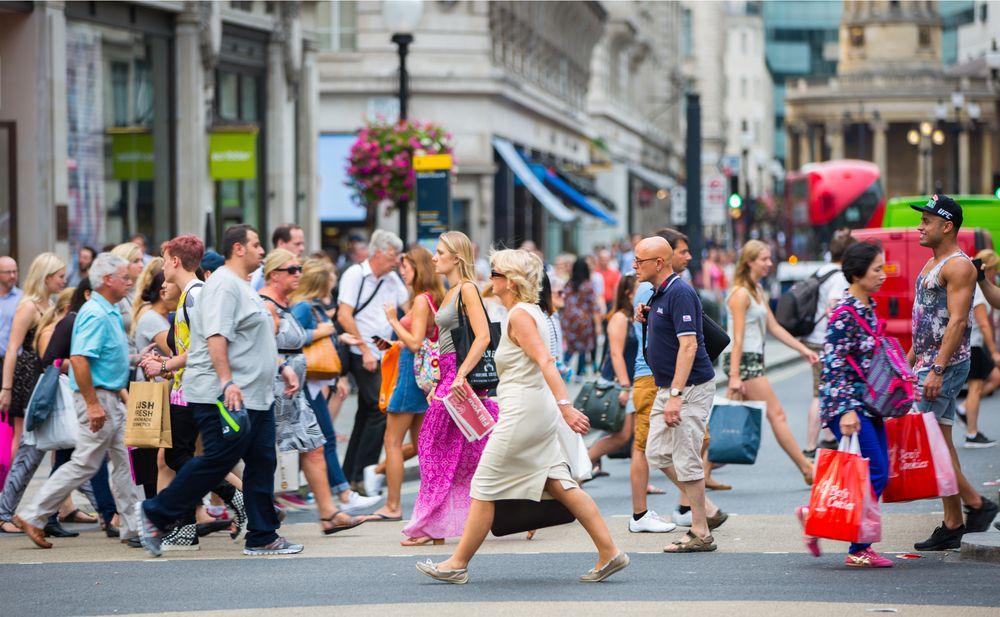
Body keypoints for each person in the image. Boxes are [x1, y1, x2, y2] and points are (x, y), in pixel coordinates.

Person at [416, 249, 628, 584]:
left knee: (484, 485)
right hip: (531, 409)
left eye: (497, 273)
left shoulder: (520, 316)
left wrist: (566, 406)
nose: (491, 277)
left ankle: (457, 563)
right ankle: (610, 552)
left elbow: (546, 362)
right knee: (560, 484)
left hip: (523, 412)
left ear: (512, 282)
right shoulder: (530, 312)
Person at [137, 224, 303, 557]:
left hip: (254, 395)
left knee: (261, 461)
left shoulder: (242, 286)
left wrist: (281, 368)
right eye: (256, 244)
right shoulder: (223, 285)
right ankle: (155, 514)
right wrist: (227, 380)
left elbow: (251, 338)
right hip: (224, 393)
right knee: (215, 460)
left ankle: (262, 535)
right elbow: (216, 337)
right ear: (238, 249)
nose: (262, 250)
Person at [14, 253, 145, 549]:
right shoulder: (96, 313)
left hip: (109, 398)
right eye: (124, 277)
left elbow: (103, 358)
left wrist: (136, 359)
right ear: (107, 280)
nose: (129, 281)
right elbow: (79, 359)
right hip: (99, 398)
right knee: (85, 462)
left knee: (124, 462)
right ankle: (34, 514)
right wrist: (93, 404)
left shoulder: (108, 309)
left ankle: (133, 527)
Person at [138, 234, 247, 552]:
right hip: (188, 386)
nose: (160, 264)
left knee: (180, 456)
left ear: (174, 260)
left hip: (197, 388)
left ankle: (235, 498)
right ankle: (186, 527)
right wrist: (168, 364)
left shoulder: (197, 294)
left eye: (162, 256)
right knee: (176, 456)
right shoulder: (191, 294)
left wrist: (166, 365)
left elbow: (206, 344)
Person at [907, 195, 998, 550]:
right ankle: (954, 520)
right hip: (927, 363)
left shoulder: (958, 266)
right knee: (940, 442)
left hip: (943, 366)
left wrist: (937, 370)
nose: (920, 226)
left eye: (927, 220)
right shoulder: (934, 263)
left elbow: (958, 321)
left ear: (947, 226)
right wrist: (909, 360)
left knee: (931, 444)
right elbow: (924, 319)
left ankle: (977, 505)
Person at [796, 241, 894, 567]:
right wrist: (847, 410)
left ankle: (815, 516)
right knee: (875, 471)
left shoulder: (868, 307)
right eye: (877, 269)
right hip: (847, 405)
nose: (883, 274)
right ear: (857, 273)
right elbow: (833, 365)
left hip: (870, 404)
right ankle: (858, 548)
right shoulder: (844, 314)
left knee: (870, 472)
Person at [259, 249, 369, 534]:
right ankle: (245, 506)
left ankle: (329, 514)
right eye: (292, 270)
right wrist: (285, 365)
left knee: (315, 447)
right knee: (256, 454)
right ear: (274, 274)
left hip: (293, 391)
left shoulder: (287, 305)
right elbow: (264, 347)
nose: (298, 273)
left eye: (299, 269)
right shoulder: (267, 306)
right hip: (274, 390)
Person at [402, 231, 499, 546]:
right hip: (447, 375)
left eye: (440, 252)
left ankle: (431, 522)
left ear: (456, 257)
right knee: (444, 449)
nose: (434, 257)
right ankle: (436, 524)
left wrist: (459, 376)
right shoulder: (453, 289)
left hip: (456, 376)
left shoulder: (467, 289)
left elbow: (483, 336)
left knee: (432, 445)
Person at [634, 236, 726, 552]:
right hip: (668, 387)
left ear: (659, 263)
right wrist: (647, 318)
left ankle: (701, 531)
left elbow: (689, 345)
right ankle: (707, 509)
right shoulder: (659, 294)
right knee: (657, 453)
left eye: (639, 261)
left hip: (688, 389)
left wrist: (675, 394)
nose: (634, 266)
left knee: (686, 458)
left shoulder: (681, 292)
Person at [724, 240, 819, 485]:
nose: (769, 263)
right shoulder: (740, 294)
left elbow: (774, 327)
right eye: (764, 259)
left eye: (769, 259)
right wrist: (734, 376)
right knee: (776, 414)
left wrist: (802, 349)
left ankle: (703, 470)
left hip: (752, 359)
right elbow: (737, 338)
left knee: (729, 419)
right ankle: (806, 467)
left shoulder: (755, 290)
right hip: (744, 361)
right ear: (749, 262)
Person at [361, 245, 445, 522]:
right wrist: (395, 341)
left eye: (406, 268)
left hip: (411, 375)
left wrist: (394, 321)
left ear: (417, 269)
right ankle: (431, 502)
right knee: (423, 444)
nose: (402, 272)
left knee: (392, 441)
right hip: (424, 376)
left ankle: (393, 506)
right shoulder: (433, 298)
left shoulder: (421, 300)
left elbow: (416, 342)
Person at [337, 230, 408, 489]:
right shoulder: (355, 275)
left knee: (367, 412)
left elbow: (408, 305)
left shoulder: (391, 278)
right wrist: (366, 350)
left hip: (384, 354)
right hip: (360, 353)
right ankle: (363, 474)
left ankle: (350, 475)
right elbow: (344, 315)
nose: (396, 260)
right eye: (393, 255)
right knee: (381, 410)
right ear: (378, 253)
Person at [1, 253, 67, 456]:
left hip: (46, 373)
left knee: (58, 434)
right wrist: (6, 388)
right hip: (27, 375)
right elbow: (13, 348)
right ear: (46, 278)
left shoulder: (53, 306)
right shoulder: (28, 306)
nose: (63, 281)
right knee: (22, 437)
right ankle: (8, 486)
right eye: (60, 276)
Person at [802, 230, 856, 458]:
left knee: (823, 389)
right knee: (819, 392)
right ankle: (811, 446)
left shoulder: (821, 271)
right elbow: (833, 308)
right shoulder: (838, 277)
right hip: (824, 341)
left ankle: (827, 439)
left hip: (814, 337)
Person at [586, 275, 642, 478]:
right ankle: (583, 462)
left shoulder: (636, 317)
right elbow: (616, 354)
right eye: (639, 288)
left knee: (637, 437)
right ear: (628, 294)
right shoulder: (619, 318)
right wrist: (626, 386)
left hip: (632, 382)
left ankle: (642, 483)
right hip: (618, 383)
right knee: (622, 436)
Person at [959, 249, 999, 448]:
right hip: (972, 345)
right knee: (975, 388)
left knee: (995, 377)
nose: (996, 274)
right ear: (989, 269)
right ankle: (972, 434)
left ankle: (964, 408)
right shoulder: (980, 292)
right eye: (996, 270)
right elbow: (983, 324)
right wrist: (994, 352)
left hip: (973, 345)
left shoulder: (977, 287)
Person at [561, 257, 601, 378]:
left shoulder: (568, 284)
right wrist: (598, 325)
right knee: (583, 348)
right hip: (584, 321)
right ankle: (579, 373)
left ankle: (563, 367)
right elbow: (594, 306)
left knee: (570, 347)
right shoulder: (588, 285)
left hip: (569, 320)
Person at [250, 224, 306, 290]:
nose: (302, 248)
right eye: (297, 244)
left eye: (299, 269)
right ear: (281, 243)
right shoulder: (260, 272)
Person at [0, 256, 21, 394]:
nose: (12, 276)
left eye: (15, 271)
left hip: (14, 364)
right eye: (8, 272)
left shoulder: (23, 299)